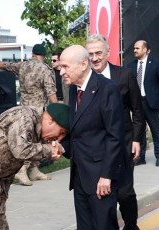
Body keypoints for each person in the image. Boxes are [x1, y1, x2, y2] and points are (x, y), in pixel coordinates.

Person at [0, 103, 69, 229]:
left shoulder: (36, 125)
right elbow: (20, 149)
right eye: (61, 132)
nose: (59, 138)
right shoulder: (24, 116)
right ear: (51, 120)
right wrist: (48, 150)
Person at [59, 45, 126, 230]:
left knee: (104, 226)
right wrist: (63, 147)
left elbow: (115, 135)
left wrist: (106, 175)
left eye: (65, 67)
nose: (61, 72)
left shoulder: (107, 88)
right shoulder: (74, 90)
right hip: (80, 175)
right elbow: (79, 133)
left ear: (82, 64)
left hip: (100, 177)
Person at [85, 34, 144, 230]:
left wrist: (136, 139)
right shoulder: (84, 81)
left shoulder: (124, 75)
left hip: (124, 143)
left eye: (98, 53)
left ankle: (131, 225)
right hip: (98, 148)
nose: (94, 58)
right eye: (90, 54)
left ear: (108, 52)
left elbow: (137, 110)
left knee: (125, 192)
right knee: (104, 194)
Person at [0, 44, 57, 186]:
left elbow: (4, 65)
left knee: (29, 139)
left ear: (33, 53)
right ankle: (22, 170)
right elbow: (51, 92)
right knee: (34, 140)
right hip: (38, 111)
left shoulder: (22, 65)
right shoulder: (45, 69)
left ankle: (34, 171)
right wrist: (57, 110)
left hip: (23, 109)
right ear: (43, 55)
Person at [127, 40, 159, 167]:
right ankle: (141, 157)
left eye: (137, 48)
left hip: (151, 102)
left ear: (145, 50)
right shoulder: (131, 66)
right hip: (136, 104)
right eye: (134, 48)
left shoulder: (156, 64)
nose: (134, 50)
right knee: (139, 131)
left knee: (155, 130)